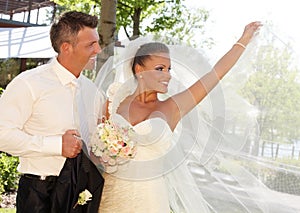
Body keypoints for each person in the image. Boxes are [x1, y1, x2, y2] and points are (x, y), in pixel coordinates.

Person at [90, 21, 268, 212]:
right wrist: (103, 154)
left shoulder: (173, 107)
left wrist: (243, 40)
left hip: (150, 199)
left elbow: (214, 75)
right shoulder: (115, 100)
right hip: (113, 195)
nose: (167, 75)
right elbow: (95, 150)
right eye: (160, 68)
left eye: (169, 69)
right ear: (139, 70)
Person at [0, 11, 104, 212]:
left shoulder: (94, 92)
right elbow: (2, 135)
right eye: (91, 44)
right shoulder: (28, 83)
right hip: (39, 193)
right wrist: (56, 144)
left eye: (97, 42)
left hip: (84, 193)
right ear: (66, 48)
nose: (98, 50)